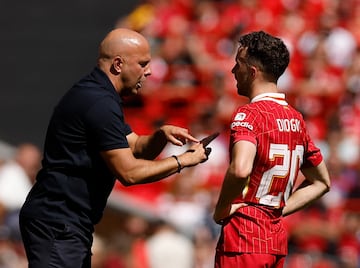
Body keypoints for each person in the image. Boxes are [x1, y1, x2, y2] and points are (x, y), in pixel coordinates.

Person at [19, 28, 210, 268]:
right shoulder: (97, 102)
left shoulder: (99, 96)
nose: (149, 71)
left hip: (65, 221)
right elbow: (129, 173)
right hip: (58, 221)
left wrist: (160, 136)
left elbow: (137, 147)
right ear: (118, 64)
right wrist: (182, 161)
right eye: (143, 64)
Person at [213, 31, 331, 268]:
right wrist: (275, 210)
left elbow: (240, 169)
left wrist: (221, 209)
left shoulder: (249, 114)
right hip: (275, 239)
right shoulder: (296, 119)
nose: (233, 71)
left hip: (243, 239)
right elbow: (322, 182)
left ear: (253, 72)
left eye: (238, 64)